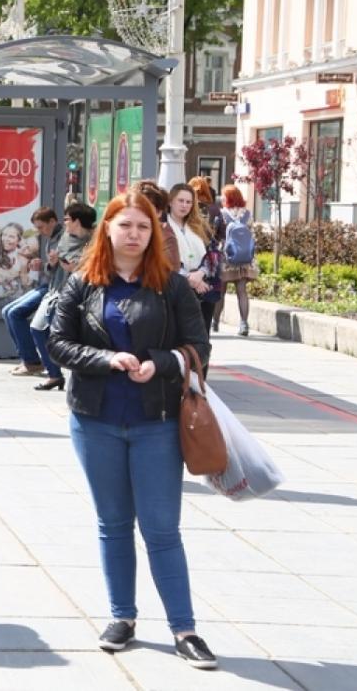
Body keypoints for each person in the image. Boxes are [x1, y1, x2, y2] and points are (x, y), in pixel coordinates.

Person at [48, 187, 217, 670]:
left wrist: (158, 364)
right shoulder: (83, 283)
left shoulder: (172, 286)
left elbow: (199, 347)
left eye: (143, 226)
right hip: (95, 420)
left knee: (162, 529)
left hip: (156, 423)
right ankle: (122, 617)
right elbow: (58, 342)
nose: (134, 234)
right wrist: (105, 358)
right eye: (125, 225)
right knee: (113, 524)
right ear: (108, 228)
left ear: (153, 233)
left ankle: (185, 629)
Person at [30, 203, 96, 391]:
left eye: (67, 219)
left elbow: (95, 266)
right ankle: (54, 374)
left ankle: (74, 377)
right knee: (37, 327)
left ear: (76, 221)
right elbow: (54, 268)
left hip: (83, 293)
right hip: (58, 291)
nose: (64, 222)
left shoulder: (95, 240)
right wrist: (52, 263)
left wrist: (78, 268)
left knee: (73, 336)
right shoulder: (64, 238)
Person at [2, 208, 63, 377]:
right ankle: (28, 360)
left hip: (56, 288)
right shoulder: (52, 239)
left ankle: (32, 362)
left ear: (52, 221)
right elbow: (53, 269)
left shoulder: (63, 239)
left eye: (41, 227)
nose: (40, 231)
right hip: (49, 285)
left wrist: (48, 265)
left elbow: (65, 269)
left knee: (15, 313)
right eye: (37, 228)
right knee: (7, 311)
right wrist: (44, 265)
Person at [168, 183, 215, 332]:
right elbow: (164, 257)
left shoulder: (199, 225)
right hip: (176, 288)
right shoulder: (163, 226)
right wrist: (188, 278)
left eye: (188, 202)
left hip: (204, 287)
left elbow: (214, 253)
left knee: (202, 335)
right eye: (180, 201)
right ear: (171, 201)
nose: (184, 205)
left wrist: (201, 273)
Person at [217, 184, 259, 337]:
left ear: (228, 198)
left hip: (227, 257)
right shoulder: (247, 214)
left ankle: (214, 322)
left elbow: (216, 234)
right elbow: (252, 235)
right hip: (244, 259)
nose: (222, 198)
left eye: (224, 196)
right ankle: (243, 323)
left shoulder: (222, 214)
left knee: (221, 292)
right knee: (242, 291)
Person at [190, 177, 226, 333]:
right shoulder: (215, 209)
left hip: (191, 267)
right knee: (206, 316)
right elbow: (222, 235)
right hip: (210, 264)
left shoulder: (189, 210)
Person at [135, 179, 181, 273]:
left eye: (147, 209)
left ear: (159, 212)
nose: (140, 213)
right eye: (137, 207)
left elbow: (170, 273)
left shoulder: (166, 237)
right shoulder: (123, 230)